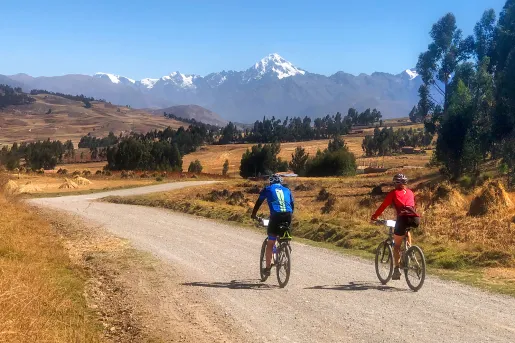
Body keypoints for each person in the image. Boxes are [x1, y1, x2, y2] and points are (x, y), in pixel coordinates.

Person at [371, 173, 420, 280]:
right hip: (415, 218)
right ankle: (410, 250)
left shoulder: (393, 193)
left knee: (396, 246)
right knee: (407, 231)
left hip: (402, 219)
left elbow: (383, 205)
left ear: (395, 183)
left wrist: (375, 216)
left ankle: (397, 269)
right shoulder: (411, 192)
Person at [251, 174, 294, 276]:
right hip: (288, 215)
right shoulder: (287, 190)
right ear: (280, 182)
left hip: (275, 216)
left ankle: (268, 268)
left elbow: (259, 202)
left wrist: (253, 214)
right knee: (283, 232)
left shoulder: (268, 189)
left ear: (271, 182)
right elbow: (292, 205)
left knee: (271, 242)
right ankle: (285, 246)